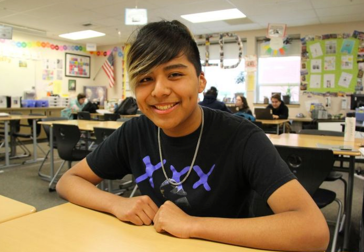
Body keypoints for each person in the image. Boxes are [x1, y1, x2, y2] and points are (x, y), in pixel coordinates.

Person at [56, 20, 329, 251]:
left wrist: (192, 225)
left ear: (200, 81)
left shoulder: (241, 137)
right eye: (144, 79)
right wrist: (117, 204)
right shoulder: (135, 132)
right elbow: (69, 181)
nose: (159, 90)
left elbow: (313, 230)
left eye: (174, 74)